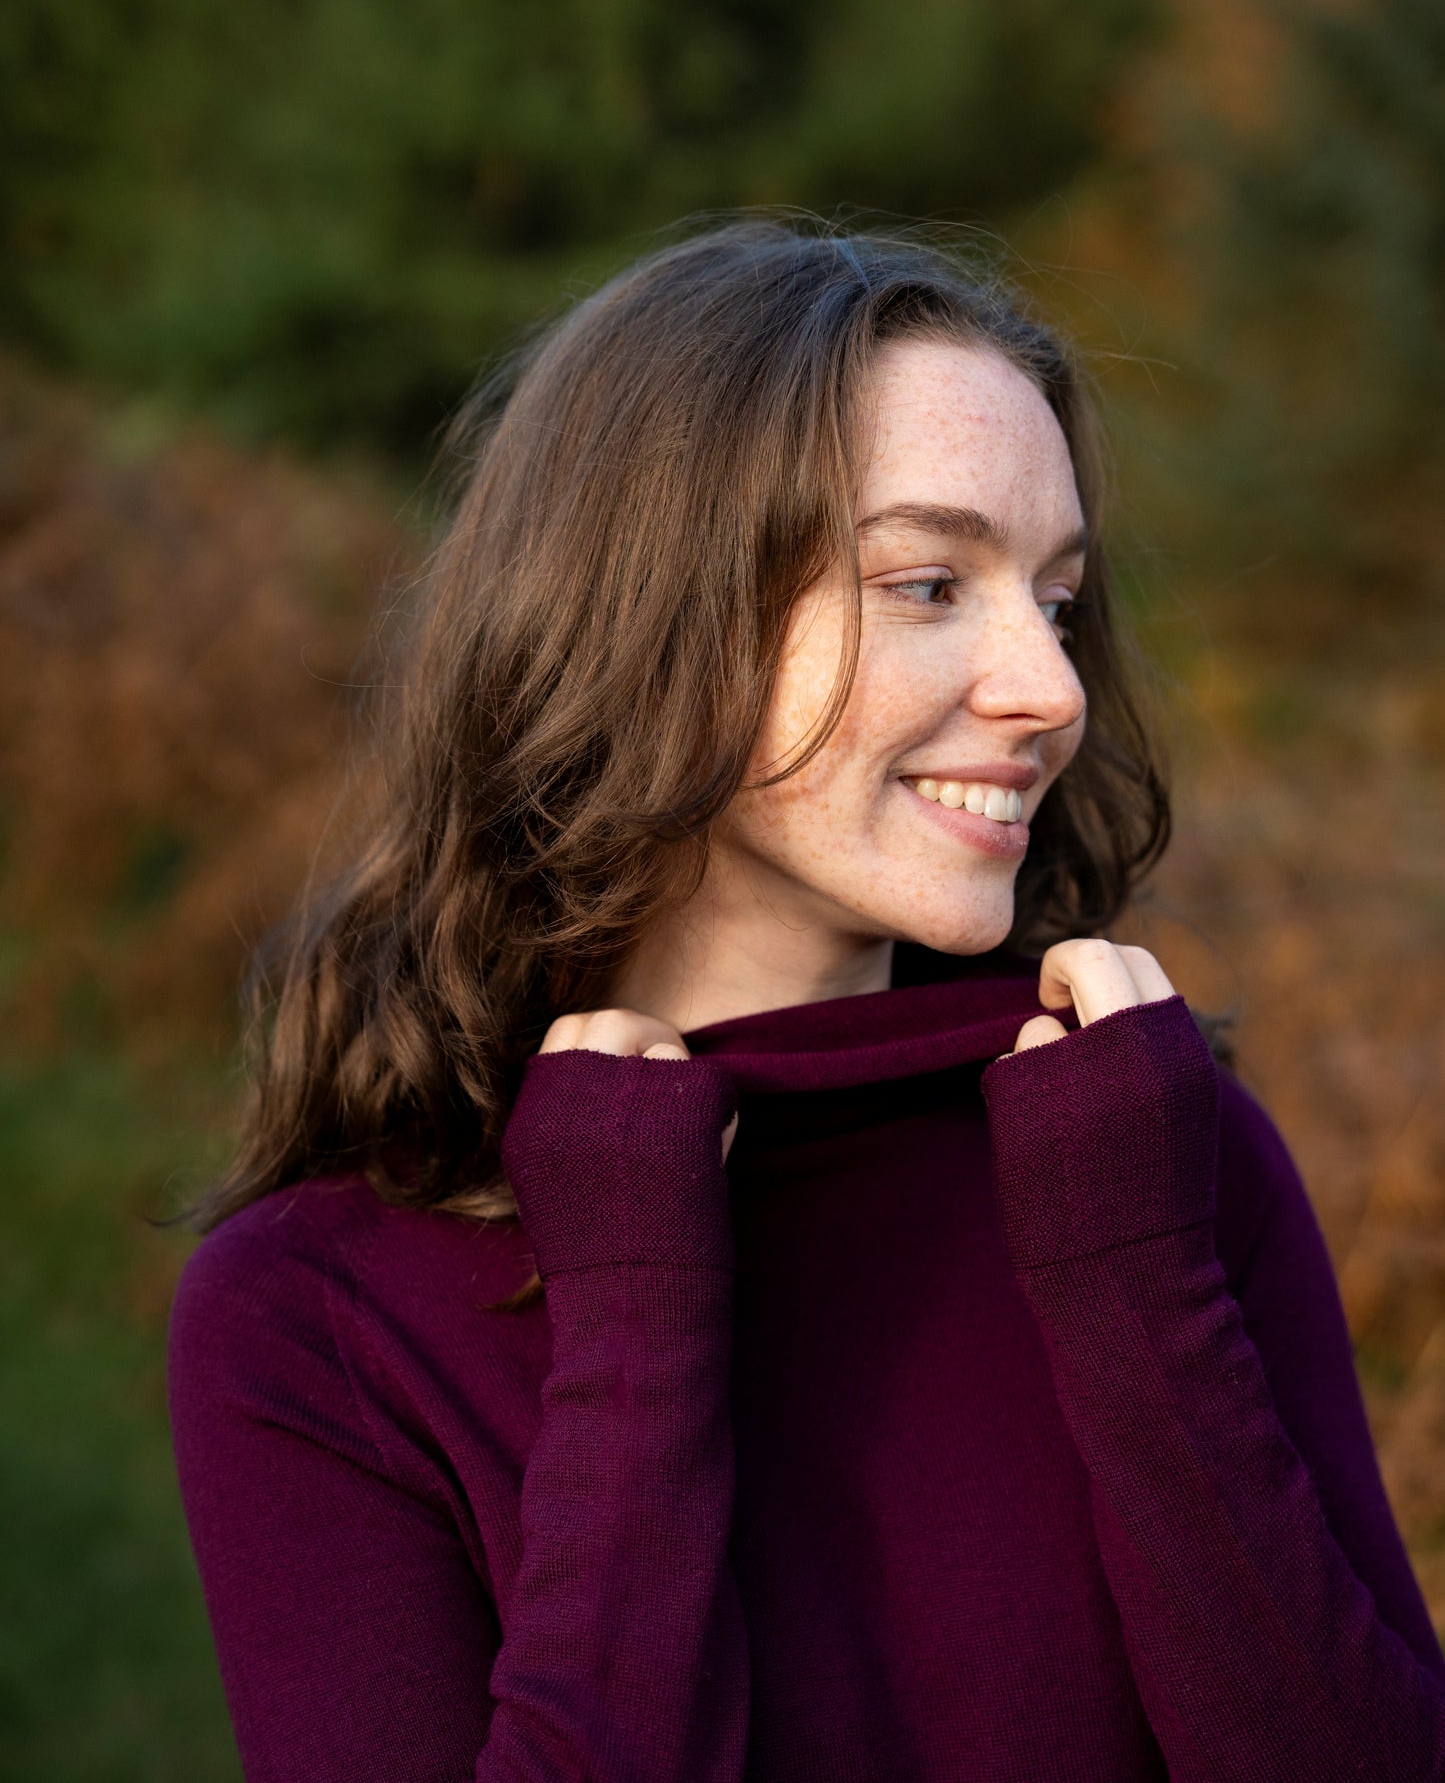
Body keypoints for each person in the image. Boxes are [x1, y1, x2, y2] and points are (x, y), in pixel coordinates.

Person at [167, 220, 1445, 1781]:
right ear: (650, 612)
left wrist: (1132, 1285)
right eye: (925, 581)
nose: (1050, 689)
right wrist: (634, 1319)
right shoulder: (321, 1312)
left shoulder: (1158, 1162)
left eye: (1053, 599)